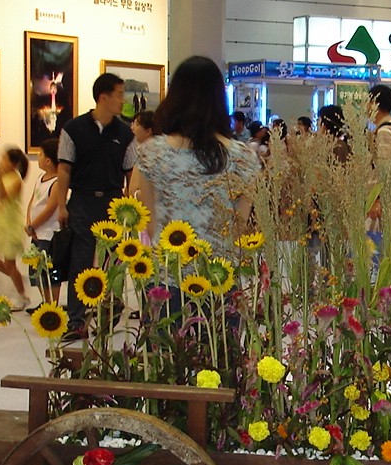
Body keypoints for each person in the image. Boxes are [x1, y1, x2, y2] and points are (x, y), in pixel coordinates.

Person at [132, 55, 256, 256]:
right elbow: (239, 228)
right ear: (219, 99)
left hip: (167, 266)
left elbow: (151, 224)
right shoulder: (242, 157)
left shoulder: (152, 152)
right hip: (220, 268)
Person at [55, 73, 137, 338]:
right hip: (81, 200)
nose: (123, 101)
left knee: (113, 261)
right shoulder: (73, 129)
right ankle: (76, 322)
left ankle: (109, 316)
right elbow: (64, 169)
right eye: (119, 94)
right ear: (104, 97)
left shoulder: (125, 133)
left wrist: (130, 206)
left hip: (113, 202)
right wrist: (61, 206)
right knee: (79, 262)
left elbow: (131, 173)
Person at [0, 147, 31, 310]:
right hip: (2, 226)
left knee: (9, 263)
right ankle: (18, 279)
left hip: (12, 226)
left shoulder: (16, 180)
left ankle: (23, 296)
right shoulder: (5, 178)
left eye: (4, 159)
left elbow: (4, 195)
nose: (0, 162)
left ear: (13, 164)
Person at [26, 136, 64, 308]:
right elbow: (32, 202)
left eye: (40, 155)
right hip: (36, 233)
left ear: (48, 160)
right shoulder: (40, 178)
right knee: (36, 271)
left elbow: (50, 209)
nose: (38, 157)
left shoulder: (57, 183)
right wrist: (29, 223)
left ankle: (53, 304)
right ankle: (45, 301)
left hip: (49, 234)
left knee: (50, 270)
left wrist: (33, 225)